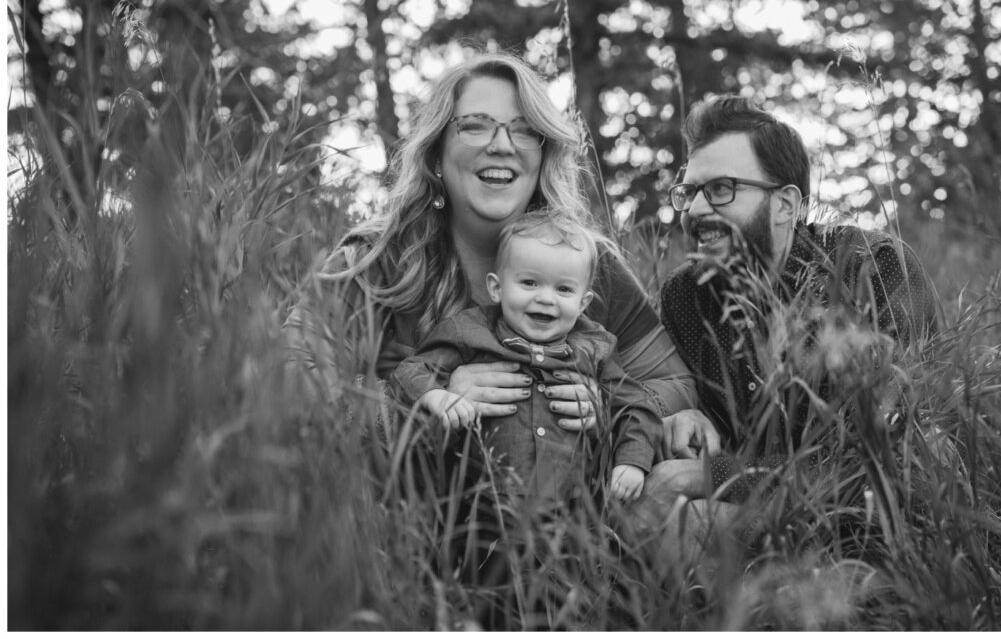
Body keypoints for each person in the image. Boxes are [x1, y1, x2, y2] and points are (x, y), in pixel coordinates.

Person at [285, 51, 717, 457]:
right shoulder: (372, 260)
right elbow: (287, 382)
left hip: (557, 526)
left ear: (544, 156)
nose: (502, 145)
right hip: (396, 523)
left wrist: (606, 405)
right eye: (475, 125)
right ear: (436, 150)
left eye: (525, 130)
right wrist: (424, 405)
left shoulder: (590, 265)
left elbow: (675, 383)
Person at [633, 94, 937, 556]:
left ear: (786, 204)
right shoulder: (685, 295)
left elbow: (882, 455)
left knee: (687, 521)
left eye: (720, 190)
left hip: (879, 529)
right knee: (638, 509)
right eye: (689, 192)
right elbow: (658, 397)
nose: (694, 210)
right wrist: (681, 414)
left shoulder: (873, 269)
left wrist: (715, 476)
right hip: (754, 518)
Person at [392, 210, 662, 502]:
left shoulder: (595, 347)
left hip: (571, 509)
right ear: (497, 288)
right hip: (483, 506)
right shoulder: (468, 332)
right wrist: (437, 396)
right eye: (530, 283)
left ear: (583, 303)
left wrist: (631, 461)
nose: (546, 298)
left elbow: (635, 407)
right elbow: (412, 371)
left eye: (563, 289)